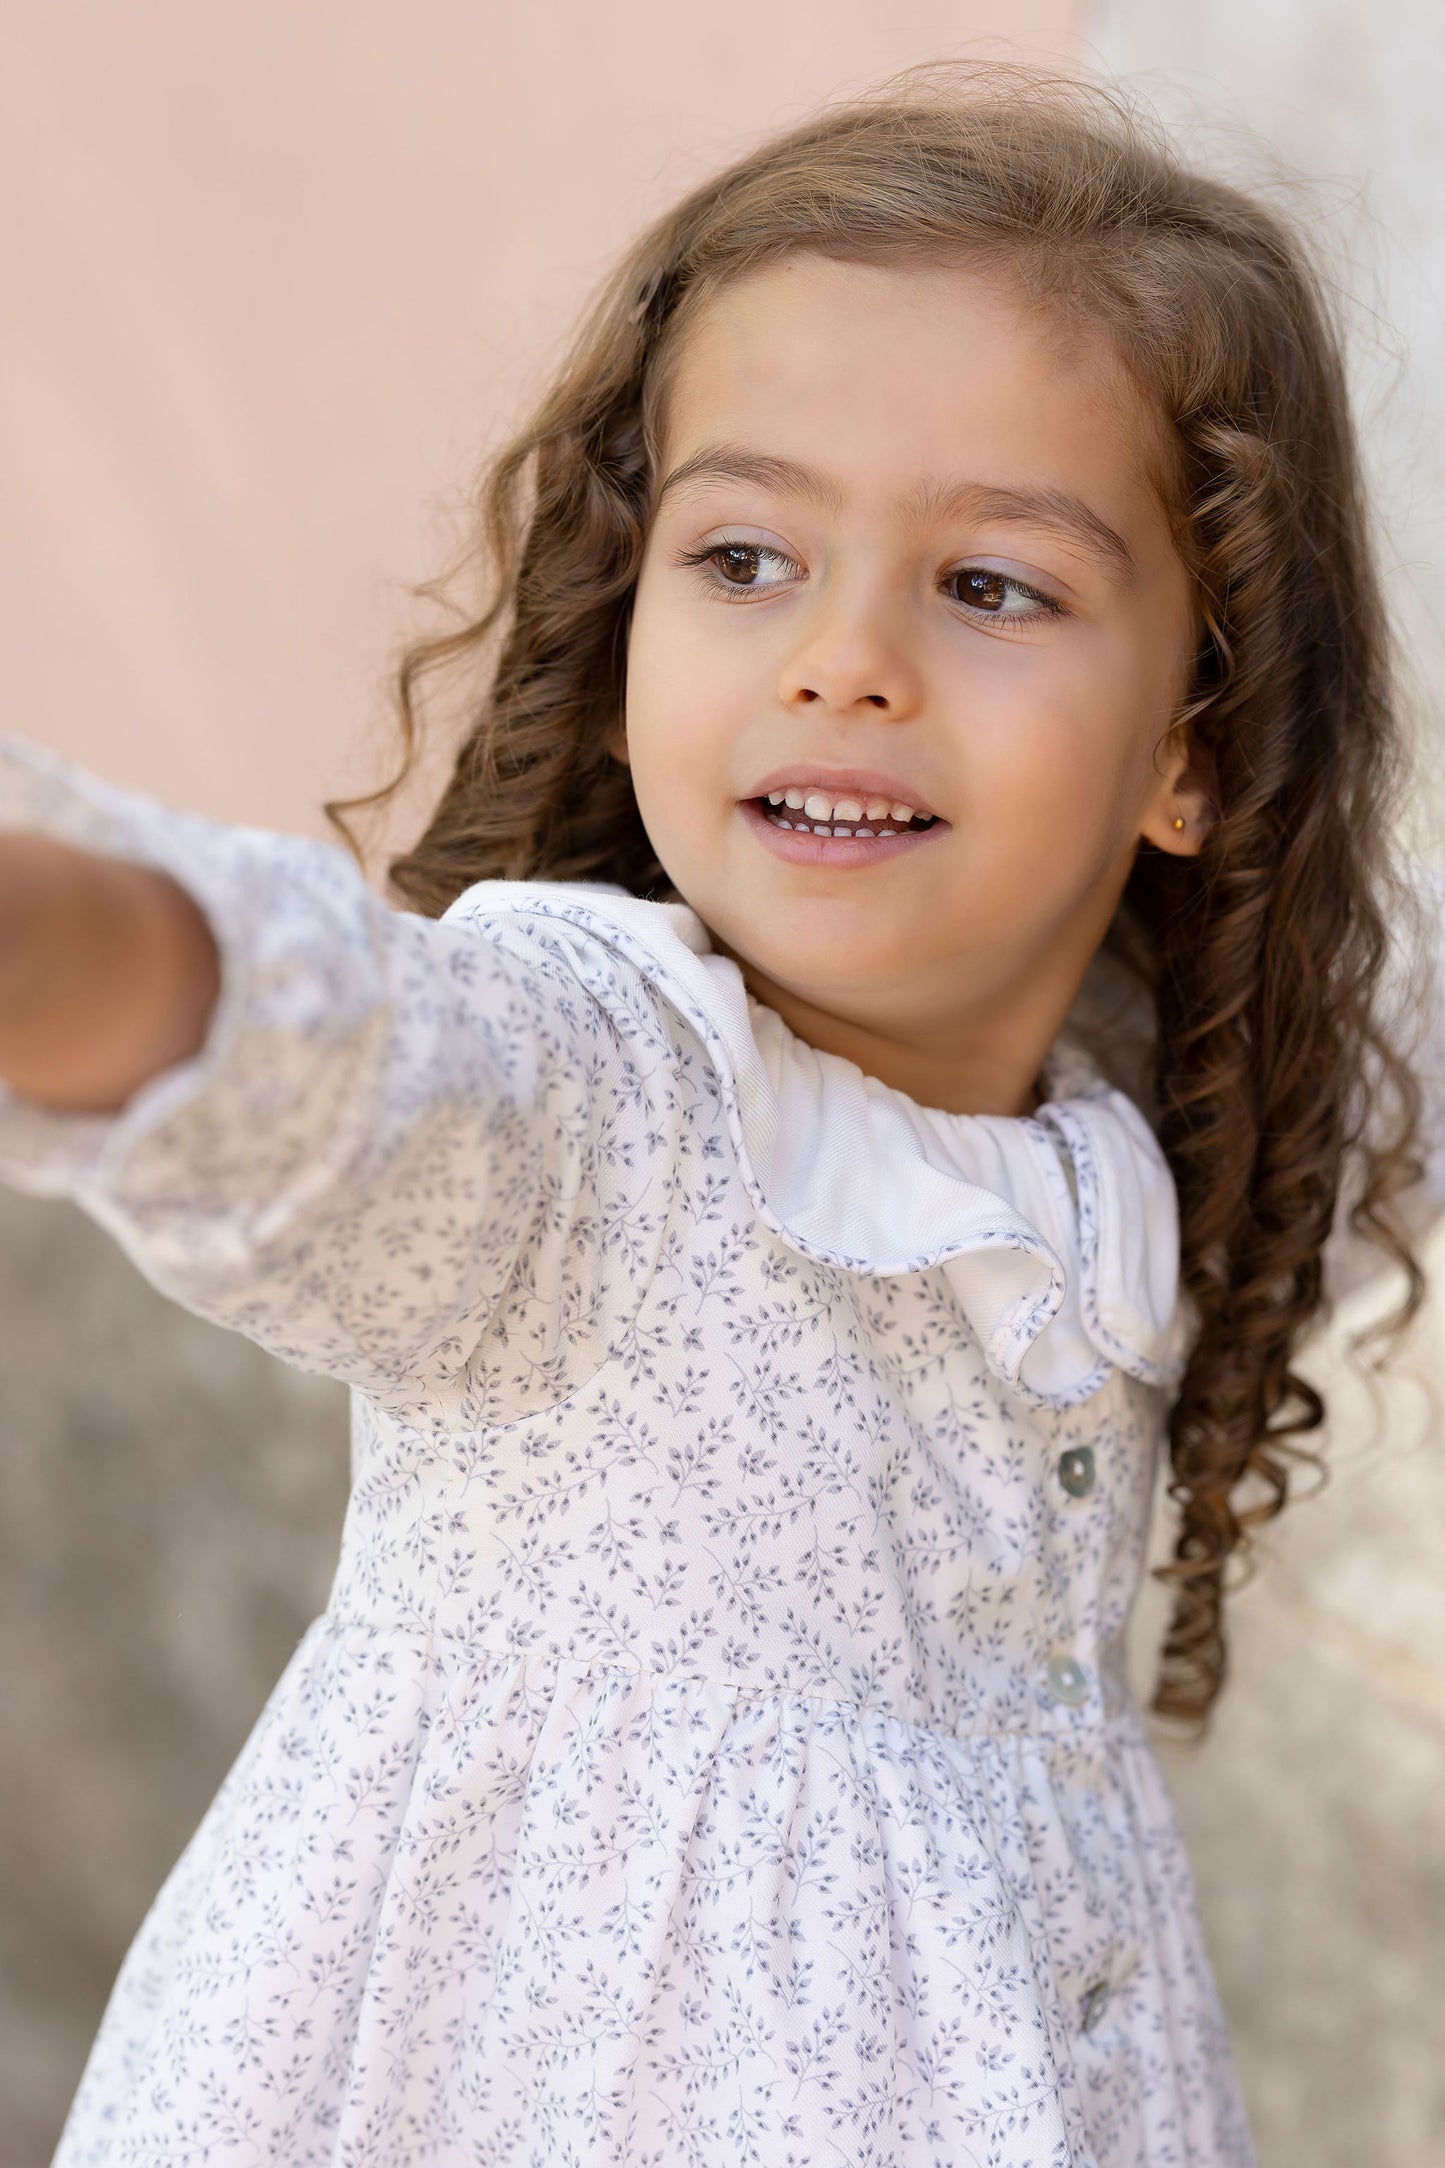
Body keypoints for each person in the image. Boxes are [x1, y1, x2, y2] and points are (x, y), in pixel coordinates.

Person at [1, 62, 1441, 2168]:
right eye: (747, 552)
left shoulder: (1145, 1129)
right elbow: (305, 1049)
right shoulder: (584, 1105)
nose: (844, 657)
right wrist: (54, 931)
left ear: (1192, 755)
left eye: (994, 587)